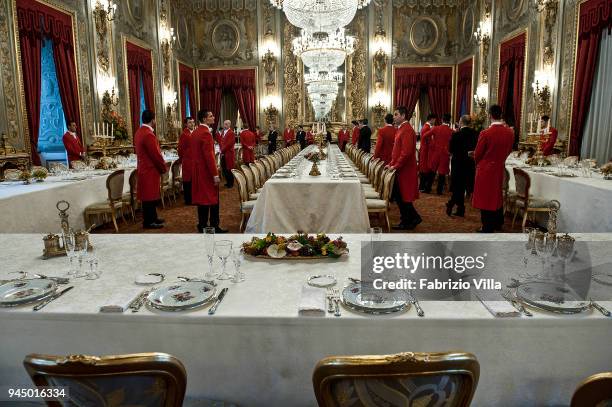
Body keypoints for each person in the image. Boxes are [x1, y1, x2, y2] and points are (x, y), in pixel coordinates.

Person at [472, 105, 514, 233]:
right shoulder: (509, 132)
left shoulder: (485, 133)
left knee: (485, 198)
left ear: (490, 115)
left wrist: (478, 162)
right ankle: (497, 222)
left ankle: (487, 226)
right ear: (501, 115)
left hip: (486, 169)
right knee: (496, 196)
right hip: (499, 167)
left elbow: (477, 154)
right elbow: (509, 150)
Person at [192, 109, 227, 233]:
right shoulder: (205, 133)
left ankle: (202, 225)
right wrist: (215, 174)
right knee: (213, 199)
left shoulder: (195, 132)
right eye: (211, 116)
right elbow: (209, 155)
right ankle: (214, 225)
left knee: (202, 200)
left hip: (198, 171)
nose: (213, 117)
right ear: (204, 119)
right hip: (206, 172)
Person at [389, 107, 421, 230]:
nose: (394, 117)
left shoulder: (407, 129)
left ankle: (409, 220)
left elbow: (406, 152)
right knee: (400, 196)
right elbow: (396, 151)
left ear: (403, 116)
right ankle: (411, 218)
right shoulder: (401, 129)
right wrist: (392, 164)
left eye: (396, 114)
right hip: (401, 168)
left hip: (405, 170)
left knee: (403, 196)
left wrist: (395, 166)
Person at [134, 110, 167, 229]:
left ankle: (153, 217)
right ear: (153, 120)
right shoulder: (148, 134)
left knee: (150, 195)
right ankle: (148, 221)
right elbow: (155, 155)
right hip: (150, 169)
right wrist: (163, 168)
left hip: (144, 168)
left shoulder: (139, 132)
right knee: (149, 196)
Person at [446, 115, 478, 217]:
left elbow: (450, 150)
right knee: (463, 187)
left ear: (461, 122)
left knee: (458, 187)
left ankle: (451, 203)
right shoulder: (476, 134)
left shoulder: (456, 135)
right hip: (470, 164)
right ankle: (461, 209)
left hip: (458, 164)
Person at [424, 113, 453, 195]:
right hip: (445, 153)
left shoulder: (435, 128)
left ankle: (427, 189)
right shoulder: (452, 131)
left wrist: (432, 144)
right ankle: (439, 191)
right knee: (442, 173)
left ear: (442, 120)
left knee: (432, 171)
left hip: (436, 153)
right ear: (449, 120)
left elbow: (425, 136)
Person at [178, 117, 195, 204]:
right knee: (187, 180)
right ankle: (188, 200)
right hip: (187, 160)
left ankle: (193, 198)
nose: (192, 124)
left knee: (193, 180)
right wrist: (182, 160)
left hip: (193, 160)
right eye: (190, 122)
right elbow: (180, 149)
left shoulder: (194, 133)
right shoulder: (184, 134)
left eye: (193, 122)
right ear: (186, 124)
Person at [418, 113, 437, 193]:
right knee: (425, 169)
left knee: (424, 169)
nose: (435, 121)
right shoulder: (427, 128)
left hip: (425, 151)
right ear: (432, 119)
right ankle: (422, 187)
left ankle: (422, 186)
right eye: (434, 119)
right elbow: (429, 142)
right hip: (426, 152)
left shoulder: (426, 127)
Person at [219, 120, 236, 188]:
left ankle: (231, 183)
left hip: (228, 153)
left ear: (229, 125)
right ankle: (227, 181)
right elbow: (221, 142)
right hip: (224, 153)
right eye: (224, 124)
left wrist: (222, 150)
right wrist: (221, 149)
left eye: (226, 124)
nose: (225, 125)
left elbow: (229, 144)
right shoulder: (223, 132)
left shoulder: (231, 132)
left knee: (229, 169)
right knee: (224, 168)